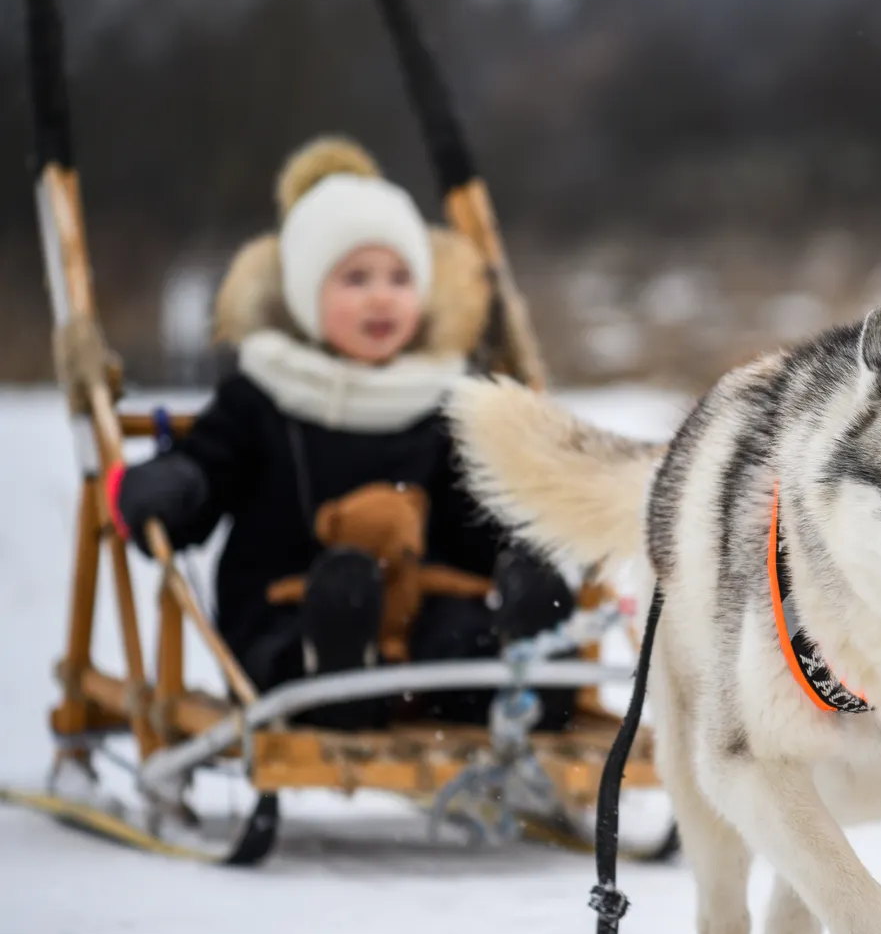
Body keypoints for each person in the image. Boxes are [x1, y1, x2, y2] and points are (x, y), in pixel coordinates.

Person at [108, 137, 574, 730]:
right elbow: (212, 464)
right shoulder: (262, 394)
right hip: (292, 601)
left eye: (400, 278)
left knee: (462, 637)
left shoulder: (445, 399)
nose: (382, 297)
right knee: (314, 621)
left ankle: (528, 672)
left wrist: (520, 552)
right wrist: (178, 482)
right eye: (356, 278)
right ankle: (333, 670)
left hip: (425, 610)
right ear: (307, 295)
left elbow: (474, 513)